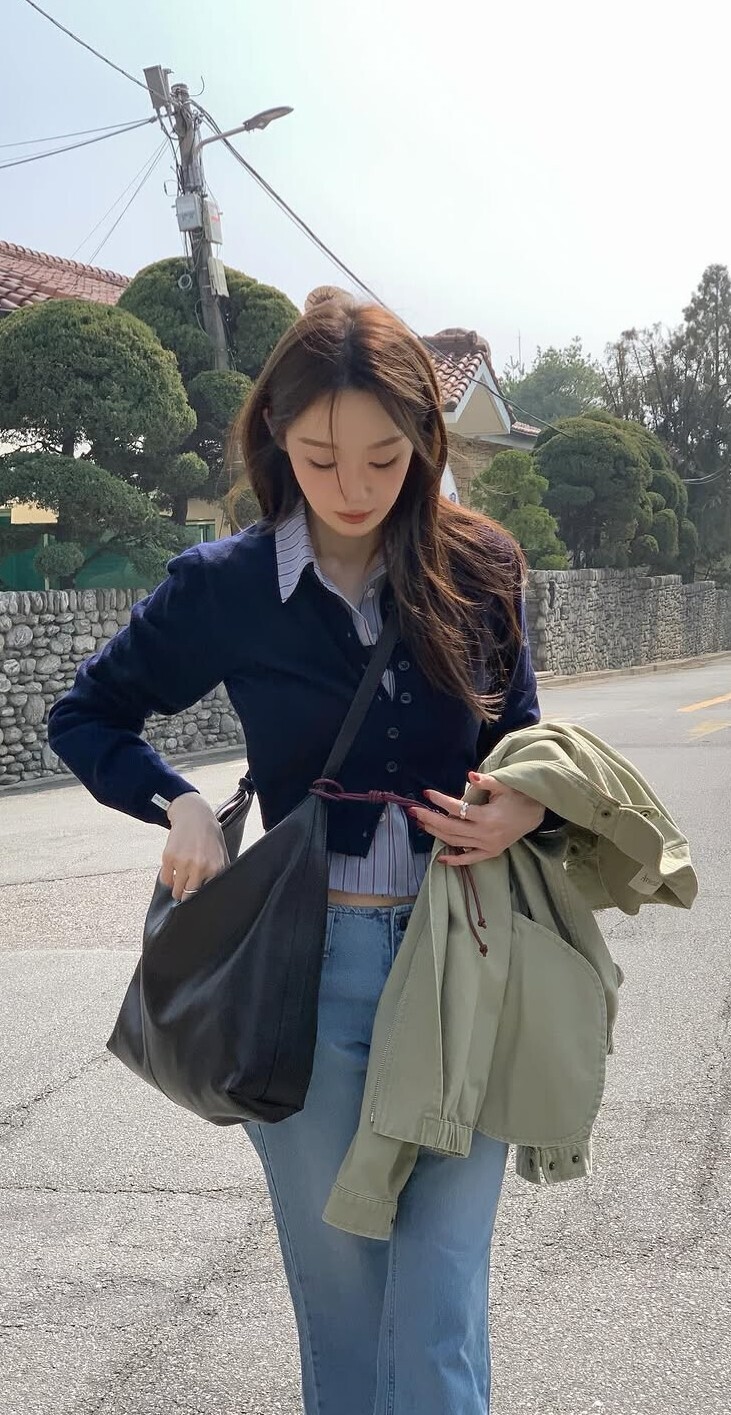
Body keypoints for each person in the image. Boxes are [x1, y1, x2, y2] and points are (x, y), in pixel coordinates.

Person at [47, 292, 549, 1415]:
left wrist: (522, 803)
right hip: (302, 977)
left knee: (438, 1300)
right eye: (321, 458)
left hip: (463, 961)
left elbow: (522, 737)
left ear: (423, 442)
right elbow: (87, 714)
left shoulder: (481, 567)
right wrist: (177, 802)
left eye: (384, 456)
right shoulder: (223, 585)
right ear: (275, 432)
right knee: (342, 1294)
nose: (354, 486)